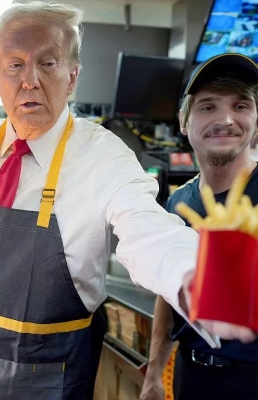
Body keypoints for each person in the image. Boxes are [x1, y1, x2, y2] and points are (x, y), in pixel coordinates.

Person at [0, 3, 255, 399]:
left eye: (48, 63)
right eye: (14, 65)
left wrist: (203, 277)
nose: (30, 80)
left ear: (72, 77)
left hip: (49, 379)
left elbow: (149, 232)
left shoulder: (105, 158)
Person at [140, 53, 258, 400]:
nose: (225, 119)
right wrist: (154, 372)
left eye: (240, 105)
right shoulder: (178, 203)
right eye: (208, 107)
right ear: (183, 121)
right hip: (192, 377)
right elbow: (168, 292)